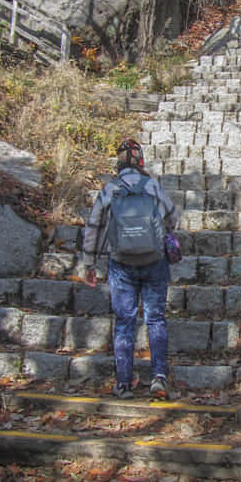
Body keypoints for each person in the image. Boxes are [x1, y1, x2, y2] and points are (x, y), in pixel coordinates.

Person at [82, 138, 179, 400]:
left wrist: (89, 262)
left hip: (121, 264)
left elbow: (94, 227)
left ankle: (124, 383)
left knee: (124, 322)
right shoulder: (152, 185)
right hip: (154, 262)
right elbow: (173, 217)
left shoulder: (110, 189)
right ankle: (158, 378)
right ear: (141, 161)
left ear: (118, 163)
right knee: (155, 318)